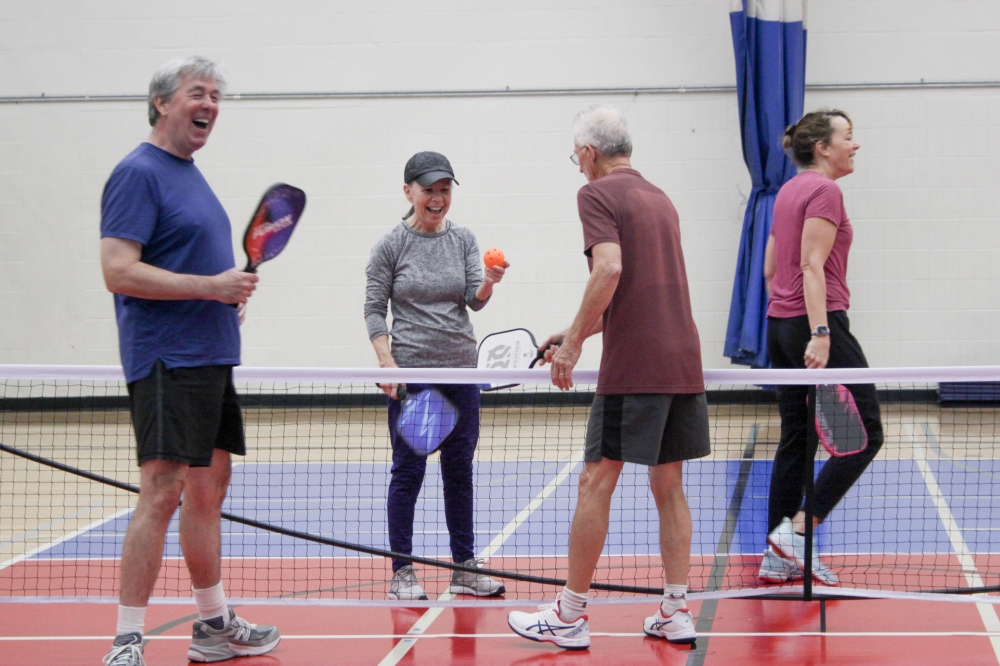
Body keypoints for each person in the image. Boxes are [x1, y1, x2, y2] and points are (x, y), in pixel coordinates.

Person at [507, 106, 710, 650]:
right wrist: (575, 329)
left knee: (596, 479)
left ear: (591, 153)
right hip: (682, 359)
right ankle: (674, 611)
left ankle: (570, 613)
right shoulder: (659, 198)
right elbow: (639, 292)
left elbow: (611, 269)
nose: (577, 167)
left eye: (577, 156)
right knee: (670, 487)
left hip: (636, 368)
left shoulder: (595, 195)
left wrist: (573, 345)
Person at [99, 56, 279, 666]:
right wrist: (209, 289)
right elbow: (117, 270)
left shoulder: (191, 174)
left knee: (209, 490)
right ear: (161, 103)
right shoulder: (138, 173)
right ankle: (127, 639)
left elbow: (193, 269)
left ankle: (212, 625)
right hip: (165, 360)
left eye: (216, 97)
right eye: (196, 94)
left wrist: (224, 300)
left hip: (210, 355)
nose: (210, 105)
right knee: (163, 489)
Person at [364, 151, 509, 601]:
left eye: (445, 189)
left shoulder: (463, 239)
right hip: (415, 378)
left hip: (461, 374)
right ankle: (402, 573)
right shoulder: (391, 246)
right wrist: (387, 362)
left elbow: (474, 300)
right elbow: (373, 309)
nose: (438, 197)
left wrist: (488, 280)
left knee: (459, 471)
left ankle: (464, 569)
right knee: (408, 473)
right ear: (408, 191)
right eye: (429, 189)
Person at [758, 109, 884, 586]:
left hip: (780, 324)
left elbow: (773, 268)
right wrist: (821, 332)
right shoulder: (825, 190)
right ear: (823, 148)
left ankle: (776, 556)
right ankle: (798, 532)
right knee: (866, 435)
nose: (855, 145)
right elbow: (812, 265)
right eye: (848, 137)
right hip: (818, 324)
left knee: (797, 437)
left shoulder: (787, 190)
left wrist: (789, 319)